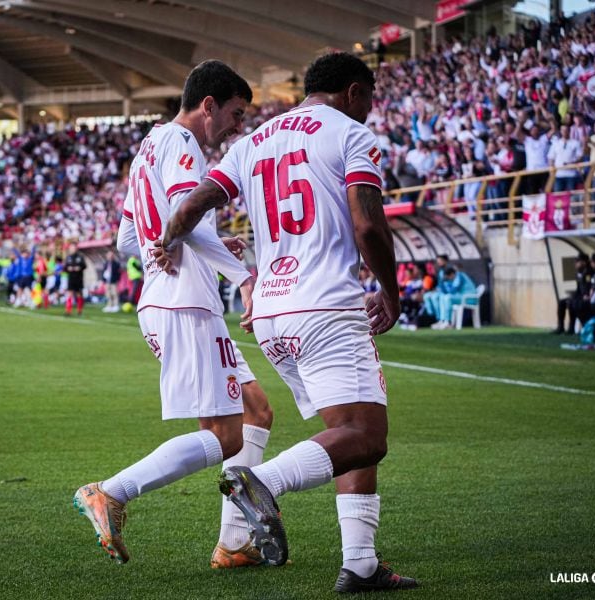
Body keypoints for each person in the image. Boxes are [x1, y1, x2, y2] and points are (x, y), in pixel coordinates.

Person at [159, 52, 417, 592]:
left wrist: (166, 244)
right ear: (353, 92)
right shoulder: (349, 133)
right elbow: (368, 227)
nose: (369, 110)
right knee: (367, 436)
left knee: (347, 429)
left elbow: (187, 210)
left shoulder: (250, 142)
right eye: (367, 99)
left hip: (271, 311)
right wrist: (391, 293)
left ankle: (361, 563)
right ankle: (262, 483)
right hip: (326, 304)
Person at [74, 60, 274, 572]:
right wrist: (244, 277)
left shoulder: (149, 146)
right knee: (227, 434)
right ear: (207, 105)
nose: (236, 126)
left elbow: (126, 240)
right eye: (233, 113)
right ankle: (111, 492)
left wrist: (164, 244)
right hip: (185, 303)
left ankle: (234, 544)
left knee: (256, 411)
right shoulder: (182, 142)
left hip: (168, 299)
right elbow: (185, 210)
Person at [552, 253, 593, 334]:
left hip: (586, 297)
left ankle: (571, 328)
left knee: (572, 303)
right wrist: (574, 295)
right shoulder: (579, 273)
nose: (575, 264)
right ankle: (560, 327)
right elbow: (578, 288)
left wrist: (586, 295)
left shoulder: (589, 272)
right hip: (579, 296)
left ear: (584, 262)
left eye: (578, 261)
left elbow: (589, 286)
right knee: (562, 302)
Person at [63, 242, 86, 316]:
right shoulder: (68, 257)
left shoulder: (80, 257)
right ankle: (68, 310)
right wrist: (68, 268)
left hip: (78, 278)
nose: (72, 249)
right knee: (69, 293)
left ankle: (79, 310)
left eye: (73, 247)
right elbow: (65, 268)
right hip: (71, 278)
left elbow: (84, 266)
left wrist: (79, 268)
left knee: (79, 294)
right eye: (71, 248)